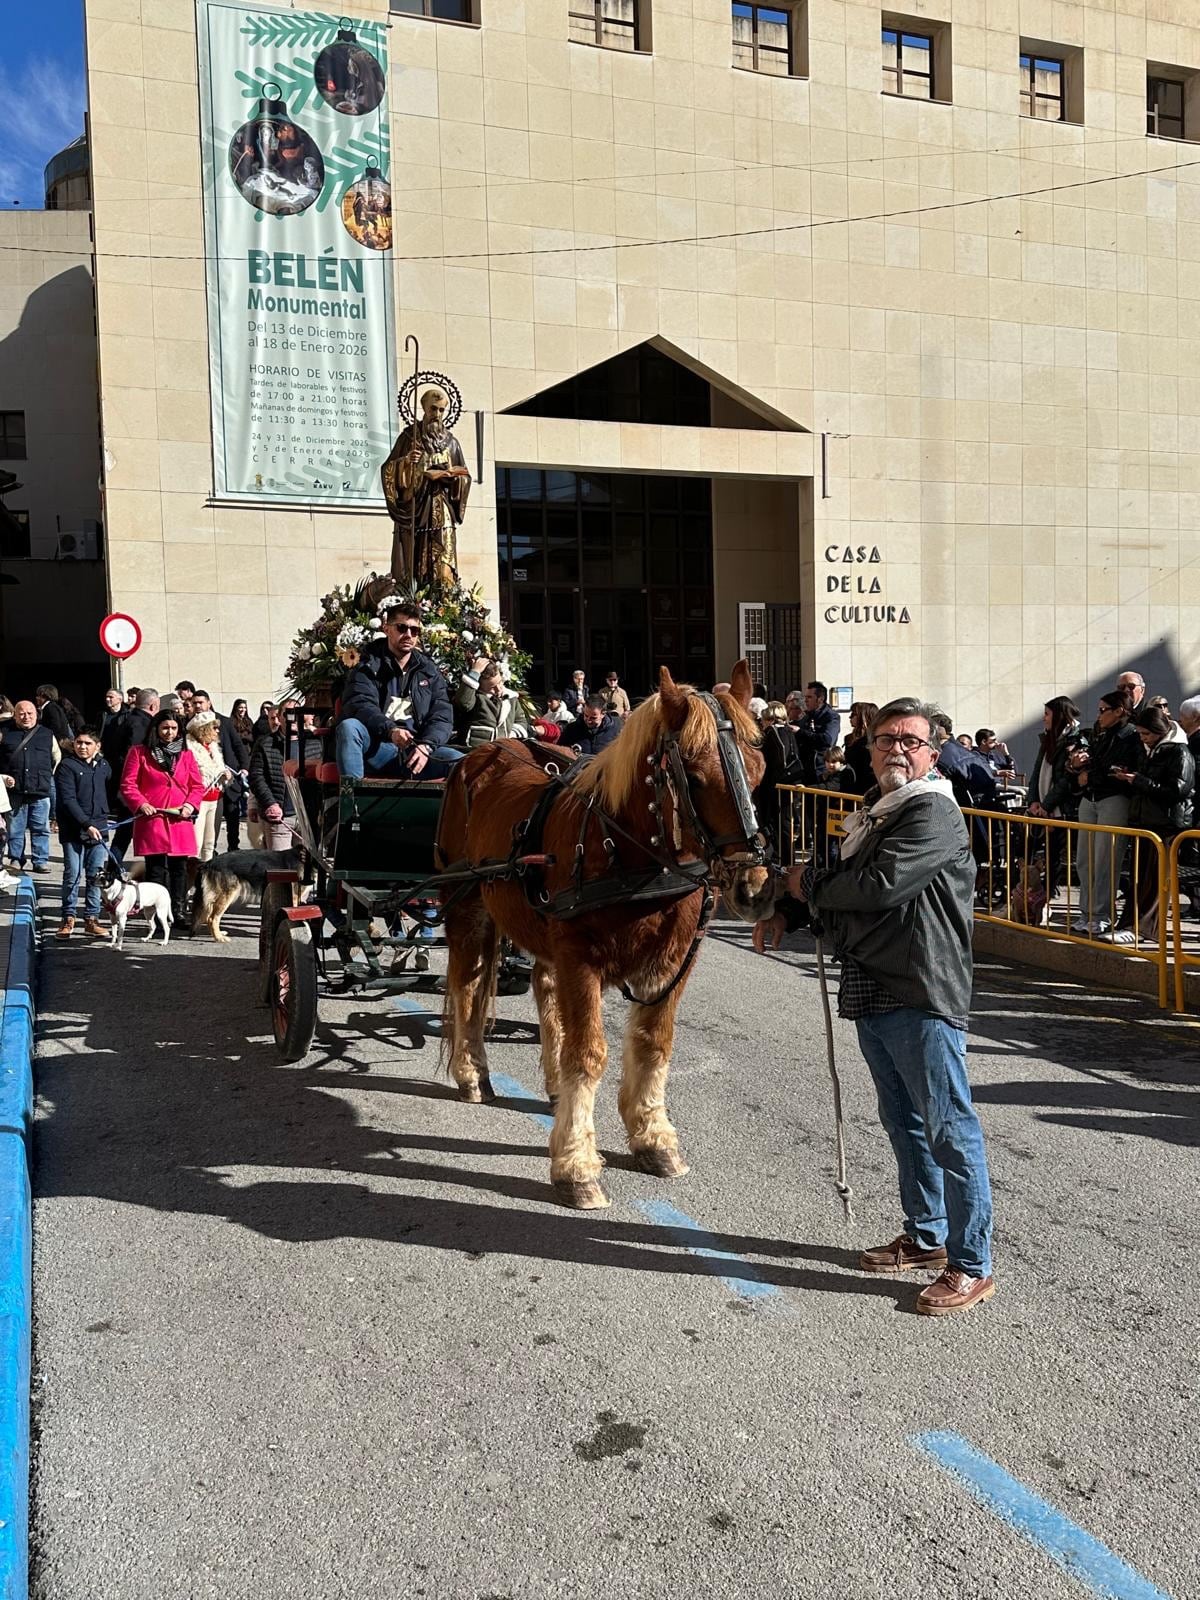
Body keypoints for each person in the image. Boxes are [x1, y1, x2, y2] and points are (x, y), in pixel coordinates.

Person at [754, 697, 995, 1316]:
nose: (896, 749)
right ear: (868, 748)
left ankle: (972, 1264)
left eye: (910, 741)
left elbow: (876, 887)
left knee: (948, 1128)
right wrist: (788, 911)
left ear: (932, 754)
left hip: (920, 988)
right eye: (885, 739)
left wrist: (801, 884)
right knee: (905, 1122)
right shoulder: (876, 813)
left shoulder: (931, 813)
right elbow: (840, 878)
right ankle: (925, 1237)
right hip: (874, 984)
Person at [336, 600, 460, 779]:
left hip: (417, 751)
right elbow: (360, 705)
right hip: (377, 748)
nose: (409, 635)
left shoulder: (429, 671)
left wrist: (426, 746)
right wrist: (391, 730)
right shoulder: (367, 666)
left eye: (414, 630)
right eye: (402, 628)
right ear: (387, 629)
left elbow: (442, 715)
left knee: (464, 763)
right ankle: (353, 801)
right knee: (349, 727)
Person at [1107, 705, 1195, 943]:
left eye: (1146, 734)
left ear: (1159, 730)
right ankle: (1130, 923)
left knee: (1156, 880)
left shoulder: (1179, 752)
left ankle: (1145, 928)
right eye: (1141, 734)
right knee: (1139, 876)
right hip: (1145, 821)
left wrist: (1140, 781)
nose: (1142, 739)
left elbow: (1179, 789)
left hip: (1165, 824)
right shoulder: (1152, 749)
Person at [120, 709, 204, 929]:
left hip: (179, 819)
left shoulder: (186, 754)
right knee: (156, 869)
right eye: (165, 728)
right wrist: (141, 803)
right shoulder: (139, 752)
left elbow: (196, 785)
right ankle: (158, 914)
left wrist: (190, 805)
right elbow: (128, 784)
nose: (169, 732)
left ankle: (178, 911)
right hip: (152, 818)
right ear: (156, 729)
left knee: (180, 869)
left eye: (174, 728)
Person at [381, 386, 472, 587]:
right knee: (413, 562)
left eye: (441, 410)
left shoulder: (452, 443)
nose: (437, 415)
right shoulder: (408, 438)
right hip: (415, 507)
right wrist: (406, 463)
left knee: (443, 562)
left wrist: (454, 477)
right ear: (423, 408)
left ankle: (445, 607)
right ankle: (414, 601)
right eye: (433, 409)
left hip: (441, 505)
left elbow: (465, 476)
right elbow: (388, 469)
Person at [55, 728, 111, 940]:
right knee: (73, 874)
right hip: (74, 829)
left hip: (99, 828)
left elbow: (110, 788)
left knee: (95, 875)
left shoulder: (103, 766)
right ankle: (68, 918)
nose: (82, 747)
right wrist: (86, 824)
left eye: (88, 743)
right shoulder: (66, 766)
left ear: (97, 746)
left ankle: (91, 919)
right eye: (79, 742)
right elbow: (68, 800)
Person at [0, 699, 57, 873]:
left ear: (36, 714)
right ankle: (16, 859)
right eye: (22, 713)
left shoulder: (47, 733)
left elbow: (57, 757)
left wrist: (47, 776)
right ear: (15, 715)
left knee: (40, 828)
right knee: (15, 829)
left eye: (30, 713)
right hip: (15, 790)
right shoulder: (5, 733)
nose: (26, 717)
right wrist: (3, 777)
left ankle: (40, 860)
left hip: (39, 789)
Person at [249, 704, 299, 851]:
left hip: (306, 818)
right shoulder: (265, 743)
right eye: (287, 713)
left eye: (297, 713)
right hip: (280, 816)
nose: (292, 718)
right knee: (280, 869)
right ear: (280, 717)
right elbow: (256, 776)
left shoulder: (314, 742)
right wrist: (270, 803)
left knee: (306, 869)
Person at [754, 703, 804, 850]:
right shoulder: (788, 730)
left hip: (776, 783)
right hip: (791, 780)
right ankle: (786, 856)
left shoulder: (772, 732)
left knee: (779, 821)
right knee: (785, 820)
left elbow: (774, 760)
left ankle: (783, 856)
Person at [186, 711, 231, 862]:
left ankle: (207, 874)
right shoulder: (190, 747)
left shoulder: (213, 747)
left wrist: (224, 773)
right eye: (214, 728)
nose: (217, 731)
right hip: (199, 799)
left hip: (215, 797)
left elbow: (217, 769)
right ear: (204, 729)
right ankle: (192, 876)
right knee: (196, 842)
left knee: (210, 842)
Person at [456, 658, 530, 747]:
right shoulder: (475, 697)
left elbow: (521, 721)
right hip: (475, 750)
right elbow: (464, 703)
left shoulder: (511, 698)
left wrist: (511, 736)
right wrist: (475, 673)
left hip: (504, 750)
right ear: (479, 685)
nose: (498, 689)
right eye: (492, 687)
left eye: (500, 682)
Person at [793, 681, 841, 783]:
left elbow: (827, 740)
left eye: (809, 697)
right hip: (804, 769)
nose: (805, 700)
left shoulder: (831, 717)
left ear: (820, 699)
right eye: (805, 697)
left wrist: (800, 732)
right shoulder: (806, 716)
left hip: (820, 770)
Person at [843, 701, 879, 795]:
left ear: (863, 717)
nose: (850, 717)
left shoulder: (874, 740)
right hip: (849, 785)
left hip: (866, 787)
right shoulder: (849, 738)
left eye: (853, 714)